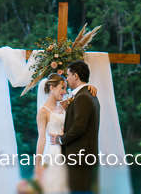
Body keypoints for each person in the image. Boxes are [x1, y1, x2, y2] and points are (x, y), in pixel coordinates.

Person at [56, 61, 100, 193]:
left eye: (68, 75)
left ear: (75, 76)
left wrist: (61, 139)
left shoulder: (83, 97)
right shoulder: (88, 94)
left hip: (79, 156)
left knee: (79, 191)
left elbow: (79, 127)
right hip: (82, 155)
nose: (67, 79)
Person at [34, 74, 70, 193]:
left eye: (65, 88)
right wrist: (38, 164)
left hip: (68, 153)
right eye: (62, 88)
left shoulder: (63, 107)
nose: (65, 92)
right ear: (51, 87)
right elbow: (41, 138)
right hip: (53, 153)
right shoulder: (43, 112)